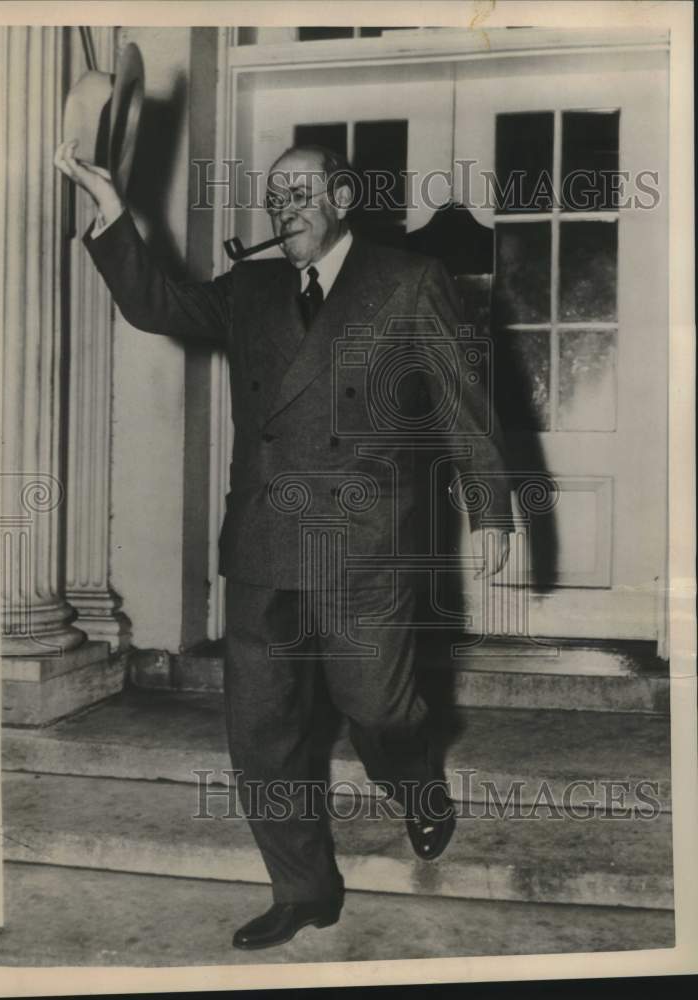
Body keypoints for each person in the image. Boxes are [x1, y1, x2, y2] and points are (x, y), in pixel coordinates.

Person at [54, 140, 512, 950]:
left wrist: (491, 509)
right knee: (263, 735)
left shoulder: (405, 280)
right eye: (273, 195)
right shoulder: (252, 287)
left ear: (341, 194)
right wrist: (111, 208)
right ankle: (303, 888)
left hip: (365, 543)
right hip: (264, 542)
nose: (285, 205)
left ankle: (415, 783)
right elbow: (158, 305)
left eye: (301, 190)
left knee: (379, 707)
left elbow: (458, 398)